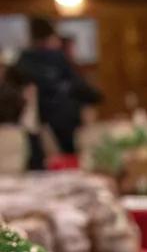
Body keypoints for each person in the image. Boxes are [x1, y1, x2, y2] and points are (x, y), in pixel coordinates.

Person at [12, 17, 101, 156]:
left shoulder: (23, 60)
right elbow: (78, 86)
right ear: (50, 36)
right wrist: (96, 97)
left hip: (35, 122)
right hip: (61, 119)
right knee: (71, 156)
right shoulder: (56, 58)